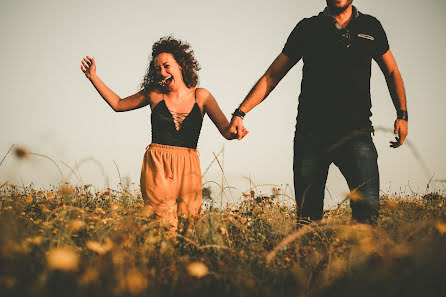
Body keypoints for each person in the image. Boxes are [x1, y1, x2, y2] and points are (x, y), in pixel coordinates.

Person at [228, 0, 408, 224]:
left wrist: (402, 114)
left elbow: (391, 71)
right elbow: (273, 75)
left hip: (357, 134)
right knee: (307, 219)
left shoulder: (371, 27)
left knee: (367, 213)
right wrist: (241, 112)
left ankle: (360, 259)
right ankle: (309, 257)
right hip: (311, 136)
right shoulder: (307, 28)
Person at [81, 36, 248, 230]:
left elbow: (226, 132)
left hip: (189, 166)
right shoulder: (153, 94)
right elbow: (118, 104)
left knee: (189, 226)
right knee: (163, 226)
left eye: (167, 66)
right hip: (158, 165)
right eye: (157, 68)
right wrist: (93, 77)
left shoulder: (201, 96)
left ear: (181, 66)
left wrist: (237, 130)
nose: (162, 72)